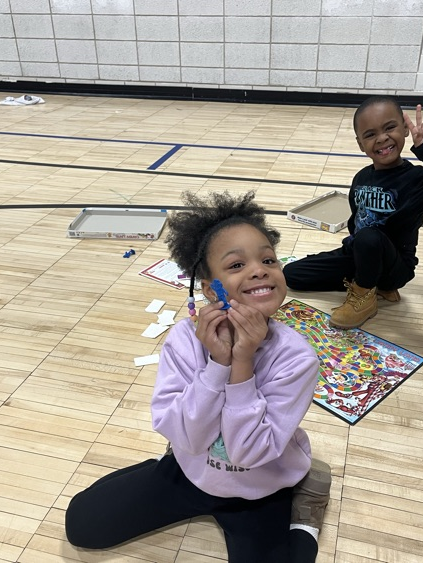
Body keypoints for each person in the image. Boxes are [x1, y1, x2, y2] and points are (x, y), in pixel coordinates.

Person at [65, 191, 332, 563]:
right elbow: (184, 437)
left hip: (262, 485)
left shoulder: (296, 358)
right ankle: (158, 470)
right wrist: (216, 365)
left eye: (268, 259)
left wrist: (242, 364)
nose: (259, 269)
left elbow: (249, 453)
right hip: (192, 471)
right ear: (210, 289)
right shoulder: (182, 340)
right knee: (82, 524)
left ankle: (306, 513)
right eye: (236, 265)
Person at [284, 96, 423, 328]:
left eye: (390, 128)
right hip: (360, 255)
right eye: (370, 134)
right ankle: (366, 281)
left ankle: (366, 295)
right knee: (293, 274)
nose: (382, 138)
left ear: (405, 129)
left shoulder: (417, 180)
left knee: (370, 235)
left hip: (395, 268)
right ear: (360, 144)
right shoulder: (361, 177)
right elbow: (356, 223)